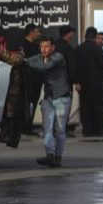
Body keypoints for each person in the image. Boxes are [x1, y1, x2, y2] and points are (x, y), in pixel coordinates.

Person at [24, 36, 70, 168]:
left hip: (62, 97)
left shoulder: (58, 57)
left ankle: (58, 157)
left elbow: (45, 67)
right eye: (42, 46)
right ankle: (50, 155)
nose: (44, 49)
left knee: (59, 130)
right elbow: (25, 61)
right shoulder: (39, 58)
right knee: (47, 128)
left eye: (47, 46)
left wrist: (28, 62)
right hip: (48, 98)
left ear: (53, 47)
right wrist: (23, 60)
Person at [75, 27, 103, 136]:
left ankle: (88, 130)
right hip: (97, 84)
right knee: (99, 107)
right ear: (95, 37)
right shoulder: (98, 49)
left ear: (85, 35)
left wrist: (77, 82)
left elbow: (74, 66)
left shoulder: (78, 49)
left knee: (85, 107)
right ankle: (101, 130)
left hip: (83, 84)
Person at [20, 23, 42, 134]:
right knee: (26, 103)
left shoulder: (34, 45)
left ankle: (28, 127)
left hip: (37, 79)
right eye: (37, 31)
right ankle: (24, 127)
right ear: (31, 32)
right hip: (28, 79)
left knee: (33, 102)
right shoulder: (23, 45)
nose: (38, 34)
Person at [54, 25, 79, 99]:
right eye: (71, 32)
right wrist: (76, 81)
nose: (72, 34)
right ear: (68, 34)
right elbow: (71, 66)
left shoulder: (52, 45)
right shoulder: (68, 48)